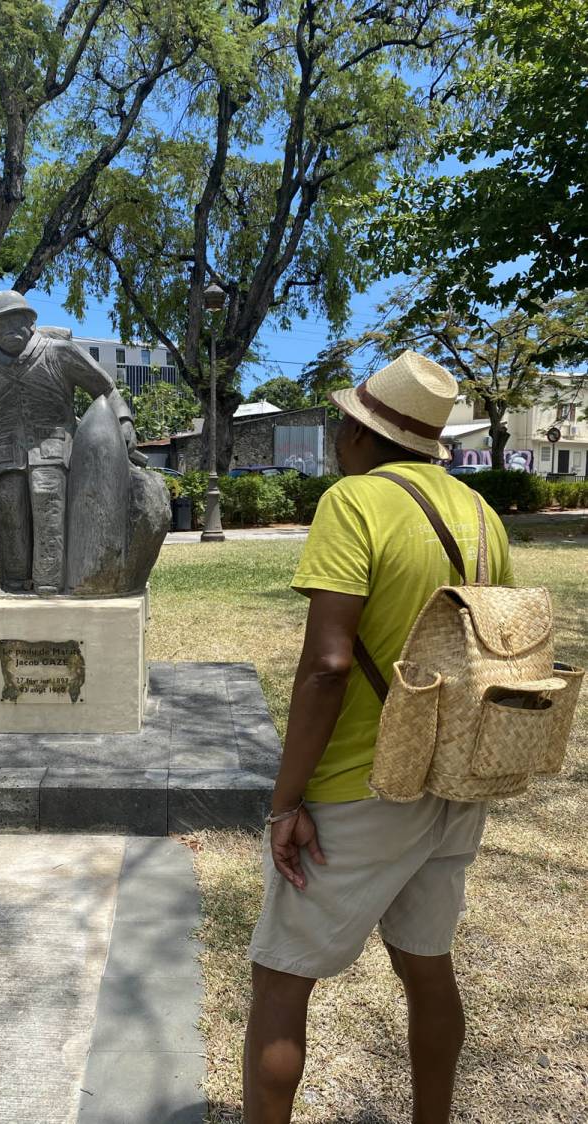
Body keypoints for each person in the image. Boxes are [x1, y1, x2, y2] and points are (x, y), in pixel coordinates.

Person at [242, 350, 514, 1124]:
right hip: (454, 778)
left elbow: (327, 666)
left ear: (360, 435)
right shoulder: (481, 515)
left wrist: (285, 801)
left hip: (359, 786)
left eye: (341, 422)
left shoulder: (352, 502)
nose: (335, 435)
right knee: (426, 970)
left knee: (280, 982)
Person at [0, 291, 137, 594]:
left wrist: (124, 421)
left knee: (49, 503)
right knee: (9, 513)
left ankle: (50, 582)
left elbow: (105, 388)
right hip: (4, 454)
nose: (9, 330)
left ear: (29, 322)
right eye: (0, 325)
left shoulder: (59, 353)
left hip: (54, 449)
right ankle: (15, 582)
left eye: (15, 321)